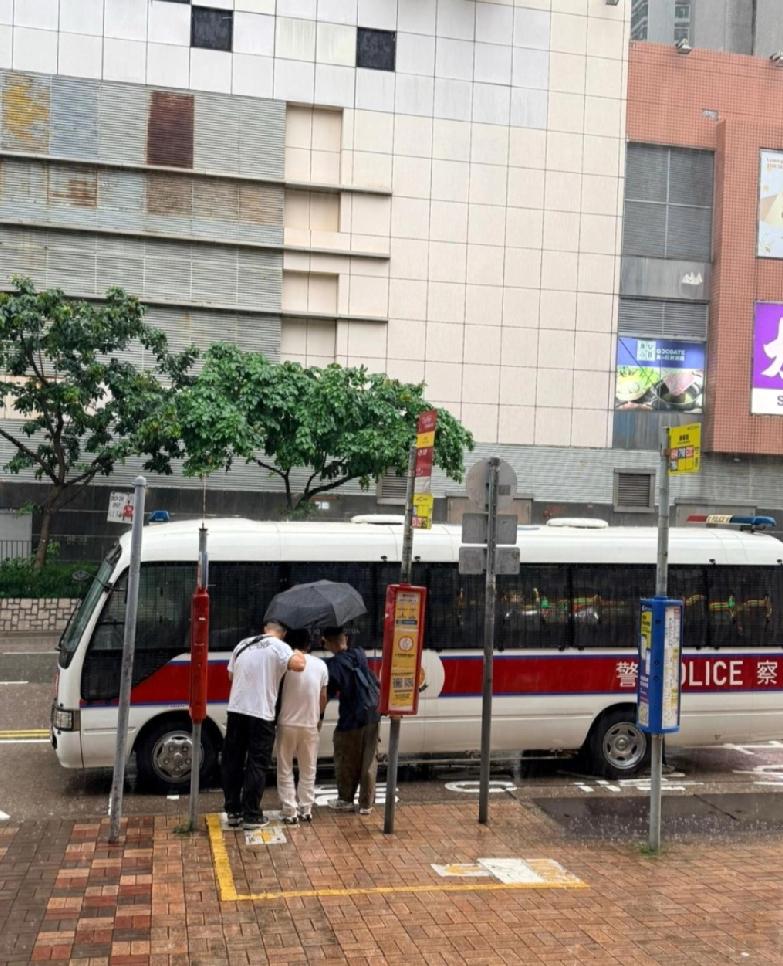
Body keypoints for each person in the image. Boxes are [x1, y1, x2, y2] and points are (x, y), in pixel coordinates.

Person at [222, 620, 305, 829]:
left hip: (236, 709)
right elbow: (299, 665)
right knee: (257, 762)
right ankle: (251, 815)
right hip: (261, 713)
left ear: (265, 629)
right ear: (283, 633)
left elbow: (231, 675)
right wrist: (297, 651)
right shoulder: (279, 646)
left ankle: (233, 811)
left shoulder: (243, 644)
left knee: (233, 760)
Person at [322, 626, 380, 815]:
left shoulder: (334, 665)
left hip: (351, 718)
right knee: (369, 759)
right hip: (372, 712)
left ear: (328, 643)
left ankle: (346, 799)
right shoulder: (359, 654)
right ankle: (366, 804)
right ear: (345, 638)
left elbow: (327, 693)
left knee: (346, 758)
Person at [276, 628, 329, 825]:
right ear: (309, 644)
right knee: (308, 767)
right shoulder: (321, 665)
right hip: (310, 723)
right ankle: (306, 808)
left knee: (285, 768)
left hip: (287, 723)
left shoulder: (285, 664)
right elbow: (323, 697)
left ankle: (290, 810)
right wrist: (319, 717)